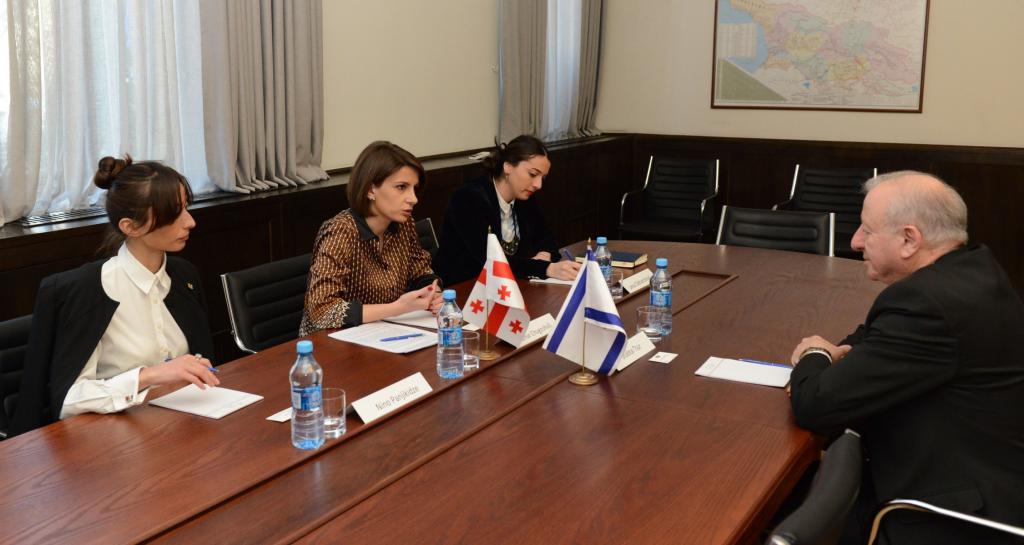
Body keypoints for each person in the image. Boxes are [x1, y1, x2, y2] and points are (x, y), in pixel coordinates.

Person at [787, 171, 1024, 545]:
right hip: (985, 472)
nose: (855, 241)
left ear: (909, 240)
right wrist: (843, 355)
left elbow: (814, 405)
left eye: (867, 230)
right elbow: (872, 335)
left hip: (949, 515)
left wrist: (814, 353)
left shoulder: (928, 304)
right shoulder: (970, 269)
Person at [11, 156, 217, 435]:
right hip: (113, 438)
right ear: (130, 226)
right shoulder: (87, 290)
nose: (190, 222)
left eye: (186, 207)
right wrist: (148, 376)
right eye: (173, 213)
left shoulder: (184, 276)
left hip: (182, 425)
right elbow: (69, 400)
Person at [299, 141, 442, 336]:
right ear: (370, 190)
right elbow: (321, 311)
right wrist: (398, 308)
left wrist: (433, 293)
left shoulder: (403, 223)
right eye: (401, 187)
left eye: (414, 188)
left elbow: (421, 270)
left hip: (382, 330)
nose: (413, 198)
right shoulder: (341, 231)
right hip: (330, 341)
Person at [433, 134, 580, 286]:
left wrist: (545, 254)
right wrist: (546, 268)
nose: (538, 185)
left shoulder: (523, 196)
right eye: (533, 174)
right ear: (508, 166)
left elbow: (546, 238)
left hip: (503, 286)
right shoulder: (469, 197)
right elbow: (490, 260)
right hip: (461, 288)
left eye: (542, 178)